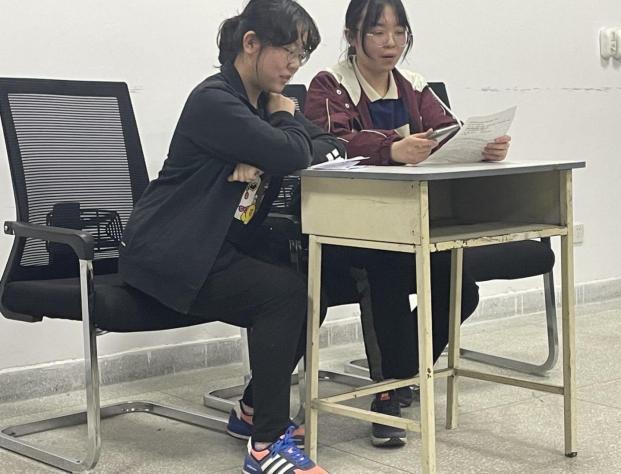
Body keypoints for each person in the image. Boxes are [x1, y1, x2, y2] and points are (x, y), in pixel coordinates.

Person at [119, 1, 344, 472]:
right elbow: (293, 152)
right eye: (288, 51)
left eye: (302, 55)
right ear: (251, 43)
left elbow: (329, 145)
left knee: (312, 289)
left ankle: (252, 411)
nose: (294, 65)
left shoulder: (262, 104)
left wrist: (270, 144)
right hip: (171, 251)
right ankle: (267, 446)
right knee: (285, 295)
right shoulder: (215, 101)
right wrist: (278, 136)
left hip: (216, 246)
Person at [304, 0, 511, 448]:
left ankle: (401, 375)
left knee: (460, 288)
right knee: (384, 276)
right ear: (352, 36)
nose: (391, 43)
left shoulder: (413, 85)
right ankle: (386, 396)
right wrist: (391, 149)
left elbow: (449, 132)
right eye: (378, 32)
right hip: (348, 228)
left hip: (409, 225)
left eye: (399, 33)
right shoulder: (330, 84)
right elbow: (327, 143)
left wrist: (481, 148)